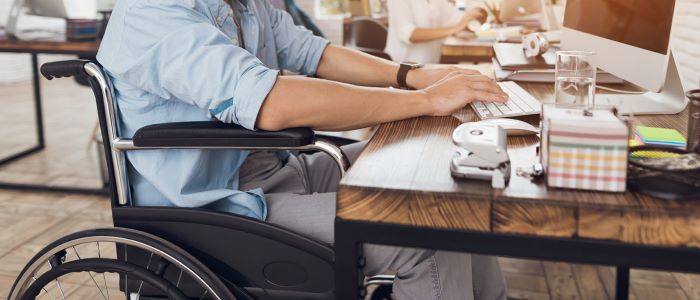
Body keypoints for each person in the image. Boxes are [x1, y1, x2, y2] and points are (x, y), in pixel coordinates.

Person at [97, 0, 508, 299]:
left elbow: (317, 54)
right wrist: (427, 101)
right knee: (422, 230)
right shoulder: (150, 14)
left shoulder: (245, 5)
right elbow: (273, 104)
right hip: (215, 207)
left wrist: (411, 76)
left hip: (275, 166)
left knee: (444, 177)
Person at [385, 0, 488, 64]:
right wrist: (455, 28)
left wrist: (476, 13)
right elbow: (409, 34)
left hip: (429, 67)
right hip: (401, 68)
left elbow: (459, 20)